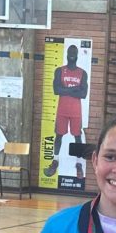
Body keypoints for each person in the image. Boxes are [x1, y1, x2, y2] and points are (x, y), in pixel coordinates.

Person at [44, 44, 89, 179]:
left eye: (74, 53)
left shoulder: (82, 73)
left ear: (77, 55)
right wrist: (74, 89)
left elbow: (83, 94)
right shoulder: (59, 71)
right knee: (59, 135)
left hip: (76, 111)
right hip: (62, 110)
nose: (72, 55)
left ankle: (79, 163)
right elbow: (56, 90)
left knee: (77, 137)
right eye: (70, 53)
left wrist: (65, 90)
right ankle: (55, 161)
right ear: (67, 55)